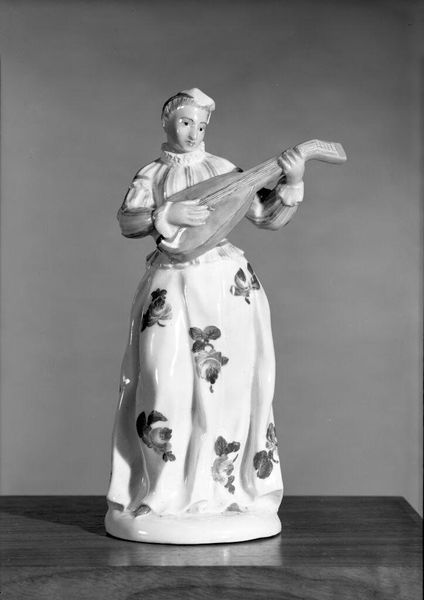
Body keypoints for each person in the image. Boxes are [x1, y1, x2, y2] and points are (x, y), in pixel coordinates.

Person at [105, 88, 305, 543]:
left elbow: (266, 216)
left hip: (223, 283)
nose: (193, 132)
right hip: (172, 281)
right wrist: (166, 213)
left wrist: (293, 182)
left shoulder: (223, 169)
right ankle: (161, 492)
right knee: (161, 380)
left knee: (228, 386)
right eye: (184, 122)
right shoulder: (152, 173)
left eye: (200, 125)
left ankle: (222, 491)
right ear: (166, 123)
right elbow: (128, 222)